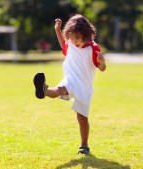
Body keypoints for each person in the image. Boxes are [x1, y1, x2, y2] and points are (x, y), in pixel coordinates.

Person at [33, 14, 106, 155]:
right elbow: (63, 45)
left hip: (84, 86)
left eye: (77, 38)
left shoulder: (93, 48)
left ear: (86, 34)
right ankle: (43, 89)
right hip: (70, 79)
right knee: (59, 89)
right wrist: (57, 29)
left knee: (82, 118)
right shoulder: (71, 44)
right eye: (71, 38)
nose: (74, 41)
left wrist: (102, 62)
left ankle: (84, 145)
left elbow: (102, 68)